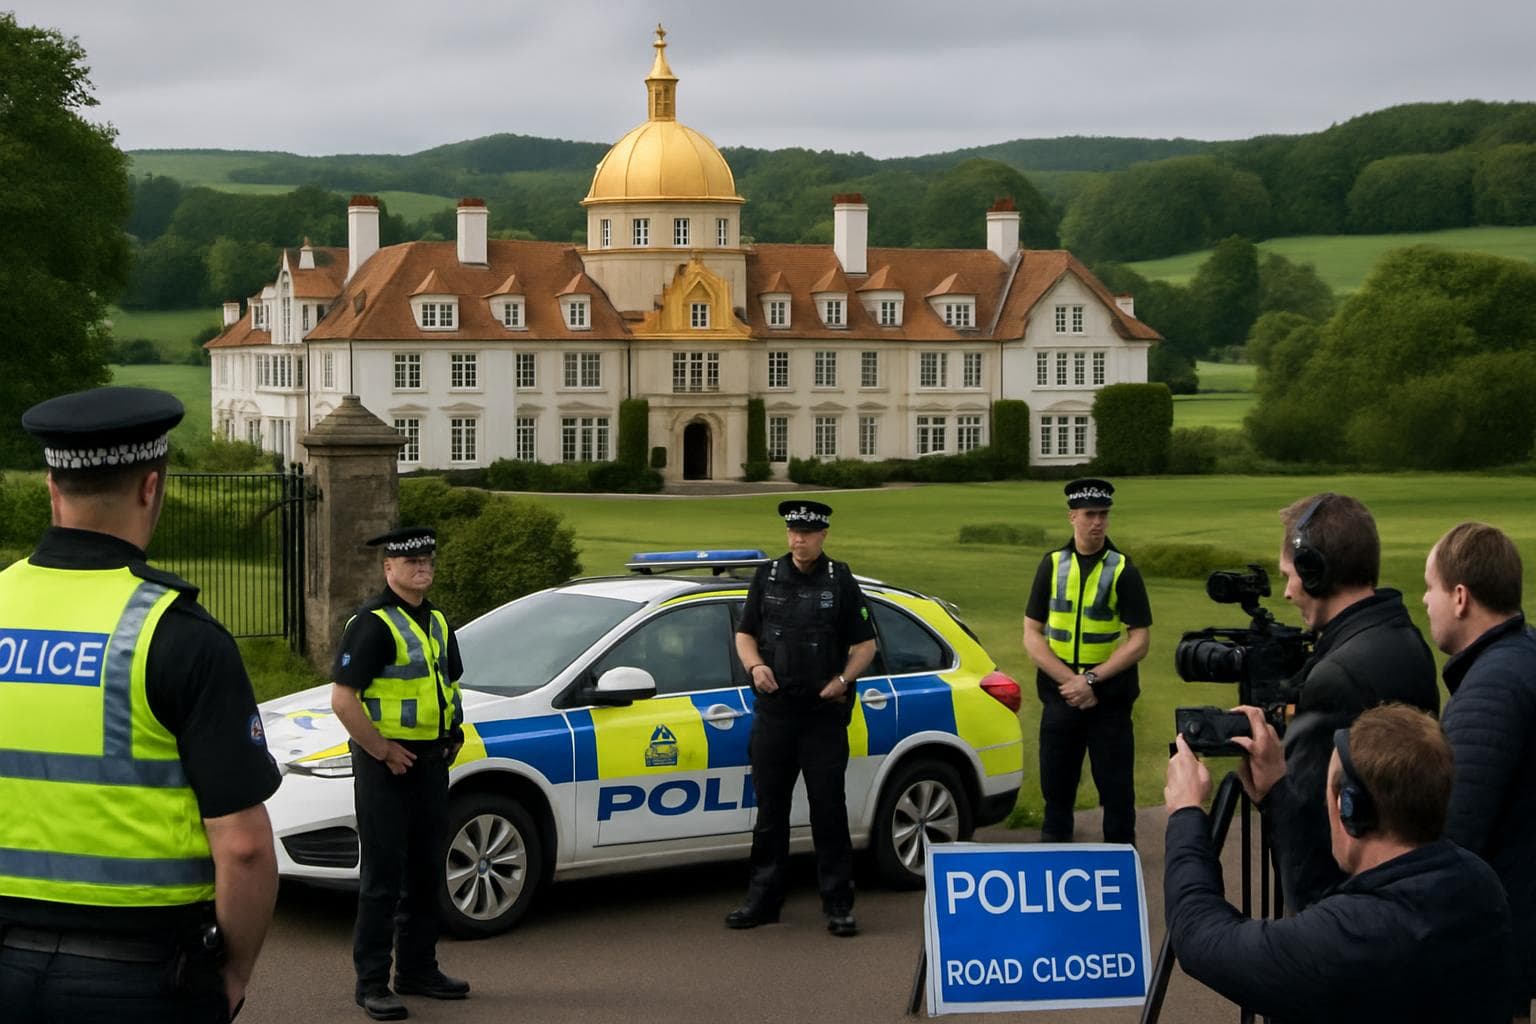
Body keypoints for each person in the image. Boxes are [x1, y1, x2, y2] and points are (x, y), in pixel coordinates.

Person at [0, 387, 280, 1023]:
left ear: (52, 487)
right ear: (150, 487)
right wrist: (232, 973)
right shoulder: (177, 634)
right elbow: (242, 847)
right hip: (137, 979)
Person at [1165, 703, 1512, 1023]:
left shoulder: (1350, 938)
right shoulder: (1479, 884)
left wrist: (1186, 813)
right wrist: (1277, 793)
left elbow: (1198, 935)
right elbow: (1336, 890)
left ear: (1350, 809)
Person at [1259, 492, 1438, 910]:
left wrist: (1271, 788)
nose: (1287, 591)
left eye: (1291, 574)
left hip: (1348, 912)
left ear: (1314, 572)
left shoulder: (1335, 678)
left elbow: (1309, 830)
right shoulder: (1405, 639)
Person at [332, 527, 468, 1021]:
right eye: (412, 562)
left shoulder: (435, 620)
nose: (423, 568)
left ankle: (417, 969)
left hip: (431, 764)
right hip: (386, 768)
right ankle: (371, 982)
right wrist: (383, 750)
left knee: (426, 872)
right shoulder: (371, 623)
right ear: (389, 568)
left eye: (428, 560)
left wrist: (454, 731)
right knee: (383, 878)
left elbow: (446, 683)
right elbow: (343, 700)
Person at [730, 500, 877, 936]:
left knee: (828, 811)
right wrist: (756, 666)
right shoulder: (768, 575)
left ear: (823, 535)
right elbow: (744, 633)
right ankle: (763, 900)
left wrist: (843, 680)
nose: (799, 539)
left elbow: (865, 644)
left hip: (821, 716)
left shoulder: (840, 579)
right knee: (770, 812)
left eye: (808, 533)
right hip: (776, 714)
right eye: (793, 531)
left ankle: (838, 905)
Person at [1423, 522, 1536, 1022]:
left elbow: (1455, 830)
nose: (1426, 602)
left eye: (1431, 588)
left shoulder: (1490, 689)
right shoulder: (1522, 655)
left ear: (1461, 597)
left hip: (1501, 944)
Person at [1022, 478, 1151, 845]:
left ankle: (1120, 862)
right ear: (1072, 517)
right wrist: (1072, 682)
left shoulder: (1123, 569)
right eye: (1090, 514)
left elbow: (1139, 640)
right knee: (1056, 789)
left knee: (1116, 790)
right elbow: (1032, 634)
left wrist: (1091, 680)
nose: (1097, 522)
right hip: (1061, 694)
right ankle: (1055, 859)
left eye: (1104, 515)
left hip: (1109, 698)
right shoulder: (1052, 565)